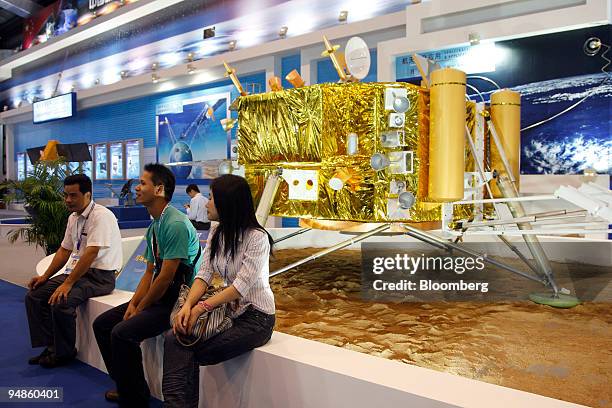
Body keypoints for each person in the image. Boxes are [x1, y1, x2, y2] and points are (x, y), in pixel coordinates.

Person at [93, 163, 201, 407]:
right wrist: (134, 303)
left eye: (143, 183)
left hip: (178, 301)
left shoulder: (175, 224)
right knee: (102, 324)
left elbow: (166, 277)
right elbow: (150, 272)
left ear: (159, 189)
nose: (137, 188)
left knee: (122, 333)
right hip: (161, 295)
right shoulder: (156, 225)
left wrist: (140, 309)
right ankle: (126, 385)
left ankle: (135, 397)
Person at [163, 174, 275, 408]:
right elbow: (203, 274)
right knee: (175, 338)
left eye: (212, 198)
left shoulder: (258, 238)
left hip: (257, 318)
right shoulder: (216, 232)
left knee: (188, 347)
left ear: (227, 203)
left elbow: (239, 287)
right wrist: (187, 306)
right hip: (228, 312)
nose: (206, 203)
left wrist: (201, 308)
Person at [25, 174, 122, 368]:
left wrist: (67, 284)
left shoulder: (101, 216)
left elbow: (91, 253)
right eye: (66, 195)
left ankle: (65, 353)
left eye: (73, 195)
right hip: (77, 272)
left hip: (100, 277)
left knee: (61, 301)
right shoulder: (73, 218)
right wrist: (45, 277)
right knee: (34, 295)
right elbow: (64, 250)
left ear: (87, 195)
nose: (68, 200)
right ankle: (51, 346)